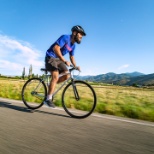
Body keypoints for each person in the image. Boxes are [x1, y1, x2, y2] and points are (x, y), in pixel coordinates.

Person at [44, 25, 86, 107]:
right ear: (74, 32)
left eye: (82, 35)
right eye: (80, 34)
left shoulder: (73, 46)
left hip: (58, 60)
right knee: (55, 77)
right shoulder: (65, 37)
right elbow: (56, 48)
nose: (81, 36)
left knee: (67, 75)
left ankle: (50, 86)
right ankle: (48, 99)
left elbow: (72, 57)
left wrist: (75, 66)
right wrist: (64, 60)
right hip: (50, 57)